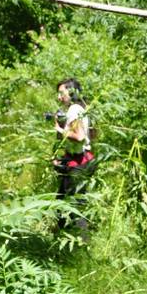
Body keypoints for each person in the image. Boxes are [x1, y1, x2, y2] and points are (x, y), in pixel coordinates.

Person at [52, 78, 95, 232]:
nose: (59, 97)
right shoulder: (80, 108)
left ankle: (80, 244)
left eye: (61, 93)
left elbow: (79, 137)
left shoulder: (74, 110)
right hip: (78, 160)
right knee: (62, 202)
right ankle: (63, 242)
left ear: (71, 92)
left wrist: (59, 129)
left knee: (74, 207)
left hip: (79, 163)